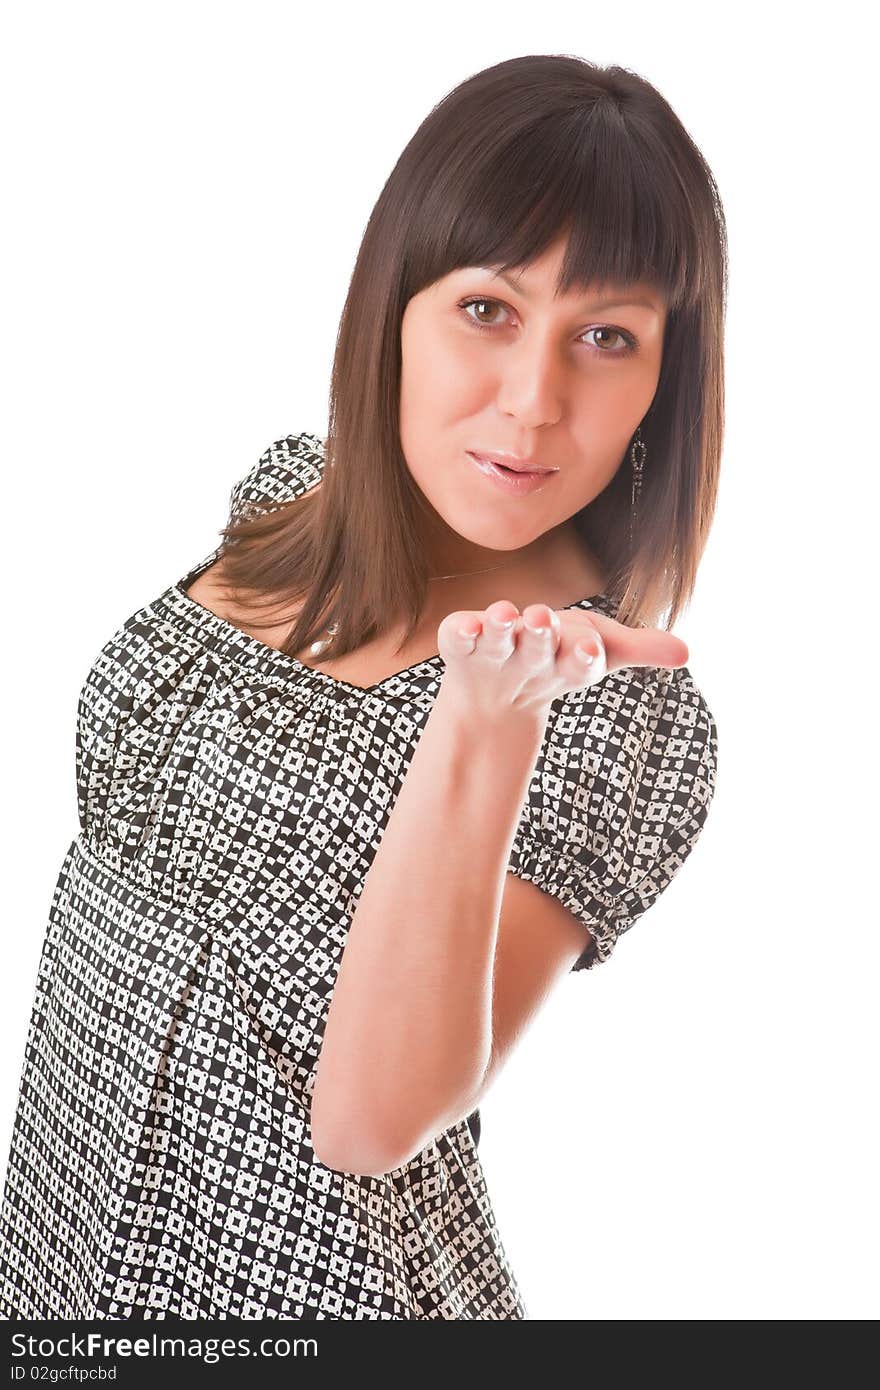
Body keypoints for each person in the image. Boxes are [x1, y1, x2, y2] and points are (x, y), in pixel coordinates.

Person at [0, 53, 723, 1320]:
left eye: (605, 337)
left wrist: (484, 718)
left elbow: (373, 1121)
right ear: (395, 305)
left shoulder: (617, 716)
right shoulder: (289, 498)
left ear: (663, 380)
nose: (533, 402)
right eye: (488, 310)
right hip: (56, 1252)